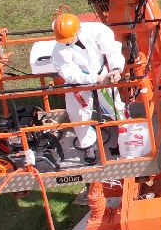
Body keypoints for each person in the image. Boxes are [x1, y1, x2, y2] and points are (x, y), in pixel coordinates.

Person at [48, 12, 124, 163]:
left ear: (78, 30)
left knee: (116, 107)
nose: (67, 43)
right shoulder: (59, 50)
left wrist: (116, 69)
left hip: (103, 76)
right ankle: (87, 145)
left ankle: (126, 137)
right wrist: (93, 79)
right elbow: (69, 73)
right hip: (78, 84)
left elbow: (112, 50)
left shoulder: (98, 31)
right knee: (78, 114)